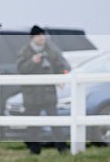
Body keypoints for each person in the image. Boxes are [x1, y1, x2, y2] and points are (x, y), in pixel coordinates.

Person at [16, 25, 71, 154]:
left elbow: (62, 66)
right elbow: (20, 69)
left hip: (48, 93)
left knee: (55, 122)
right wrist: (32, 62)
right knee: (33, 125)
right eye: (39, 35)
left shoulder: (51, 51)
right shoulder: (25, 52)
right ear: (33, 38)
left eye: (43, 35)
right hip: (32, 95)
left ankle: (62, 147)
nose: (42, 38)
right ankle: (34, 150)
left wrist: (61, 77)